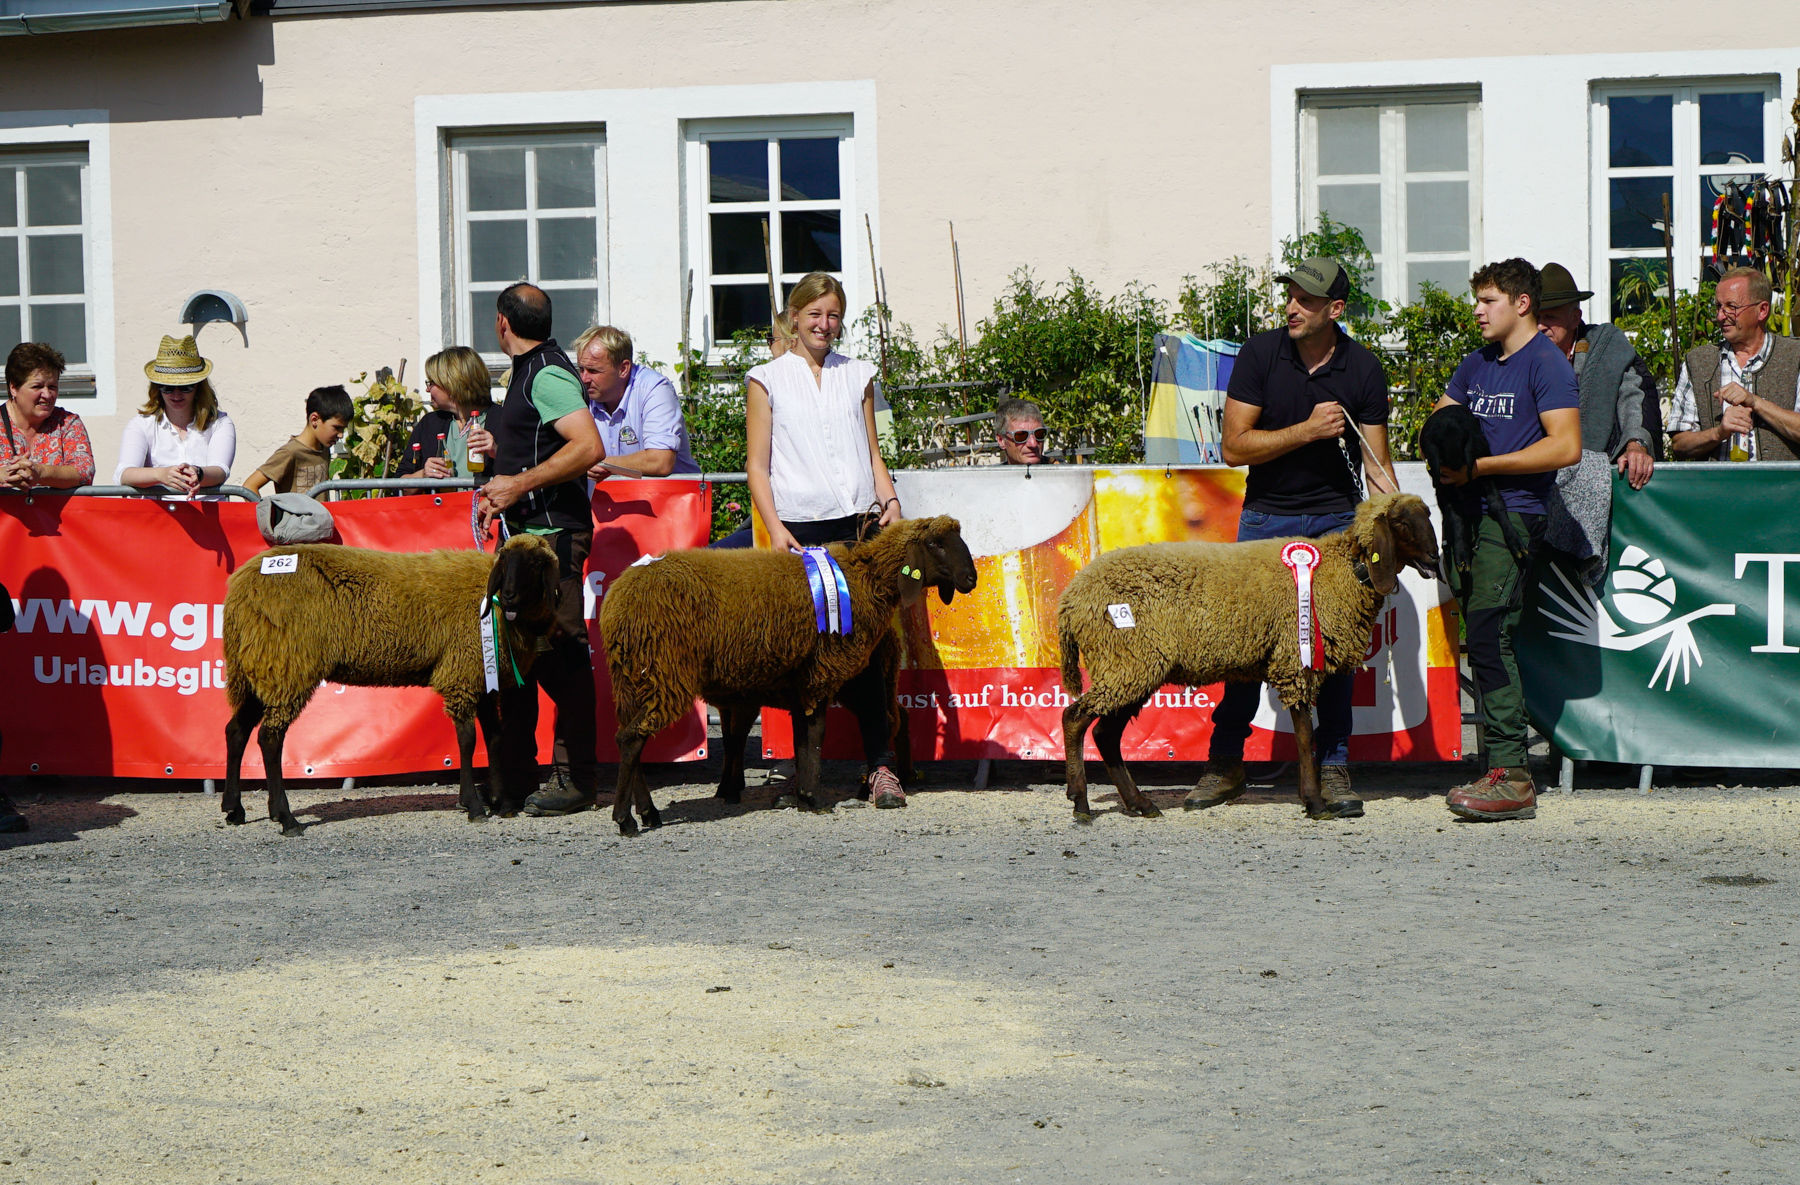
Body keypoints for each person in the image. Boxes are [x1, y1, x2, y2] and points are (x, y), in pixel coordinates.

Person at [1191, 255, 1396, 819]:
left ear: (1335, 309)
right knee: (1239, 646)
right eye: (1290, 296)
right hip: (1265, 519)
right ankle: (1226, 762)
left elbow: (1376, 466)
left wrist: (1391, 528)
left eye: (1305, 300)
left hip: (1335, 523)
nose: (1291, 307)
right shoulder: (1261, 353)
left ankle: (1332, 767)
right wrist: (1308, 430)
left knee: (1334, 655)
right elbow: (1234, 447)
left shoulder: (1363, 369)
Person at [744, 271, 907, 807]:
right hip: (801, 536)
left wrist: (891, 502)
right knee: (801, 656)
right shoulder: (766, 379)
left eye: (833, 314)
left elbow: (873, 452)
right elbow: (758, 467)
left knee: (868, 655)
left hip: (858, 529)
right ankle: (804, 771)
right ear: (795, 317)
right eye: (815, 314)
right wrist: (776, 529)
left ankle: (880, 768)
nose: (824, 324)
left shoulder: (857, 374)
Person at [1431, 258, 1580, 822]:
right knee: (1484, 634)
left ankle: (1512, 775)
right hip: (1468, 516)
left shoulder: (1545, 362)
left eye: (1488, 300)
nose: (1477, 310)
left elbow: (1565, 447)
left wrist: (1484, 466)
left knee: (1493, 634)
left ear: (1521, 303)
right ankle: (1495, 764)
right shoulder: (1476, 364)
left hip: (1514, 516)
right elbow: (1443, 421)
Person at [467, 282, 604, 817]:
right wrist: (505, 461)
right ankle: (519, 774)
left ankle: (576, 779)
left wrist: (516, 485)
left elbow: (588, 445)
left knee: (564, 654)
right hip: (528, 537)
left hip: (554, 540)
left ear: (503, 324)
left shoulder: (546, 372)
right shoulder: (528, 372)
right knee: (518, 657)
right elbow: (548, 445)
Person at [1534, 263, 1658, 489]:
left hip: (1597, 480)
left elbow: (1632, 396)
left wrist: (1636, 444)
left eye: (1550, 317)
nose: (1540, 326)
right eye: (1536, 317)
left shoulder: (1606, 346)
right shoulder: (1523, 356)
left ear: (1575, 318)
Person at [1668, 265, 1800, 461]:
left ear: (1762, 310)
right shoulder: (1699, 362)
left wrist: (1755, 402)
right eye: (1719, 307)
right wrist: (1718, 433)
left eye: (1732, 306)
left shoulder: (1794, 356)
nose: (1721, 316)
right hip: (1720, 489)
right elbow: (1679, 444)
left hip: (1781, 489)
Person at [571, 325, 699, 482]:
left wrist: (604, 465)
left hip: (671, 500)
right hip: (617, 500)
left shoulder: (654, 389)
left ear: (623, 369)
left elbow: (660, 461)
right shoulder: (581, 393)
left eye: (594, 371)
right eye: (581, 369)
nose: (584, 379)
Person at [114, 334, 237, 496]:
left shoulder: (221, 423)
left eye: (186, 387)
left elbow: (220, 470)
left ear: (199, 387)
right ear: (157, 388)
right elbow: (124, 473)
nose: (176, 394)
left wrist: (198, 473)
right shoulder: (140, 424)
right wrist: (161, 474)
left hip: (206, 515)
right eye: (167, 387)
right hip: (158, 516)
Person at [0, 341, 95, 491]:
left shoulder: (68, 423)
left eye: (52, 387)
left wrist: (40, 473)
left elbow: (84, 471)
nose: (47, 395)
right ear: (14, 388)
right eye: (37, 386)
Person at [396, 346, 493, 482]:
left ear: (452, 383)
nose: (427, 389)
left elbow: (521, 471)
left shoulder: (501, 419)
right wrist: (423, 474)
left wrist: (497, 451)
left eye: (431, 383)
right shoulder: (430, 423)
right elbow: (399, 484)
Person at [242, 386, 352, 496]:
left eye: (343, 429)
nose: (341, 435)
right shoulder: (290, 452)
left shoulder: (324, 449)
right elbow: (250, 486)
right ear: (315, 419)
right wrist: (265, 512)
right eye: (337, 428)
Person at [994, 398, 1048, 465]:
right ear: (1001, 440)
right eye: (1021, 436)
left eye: (1039, 434)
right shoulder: (990, 475)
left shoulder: (1062, 472)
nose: (1033, 444)